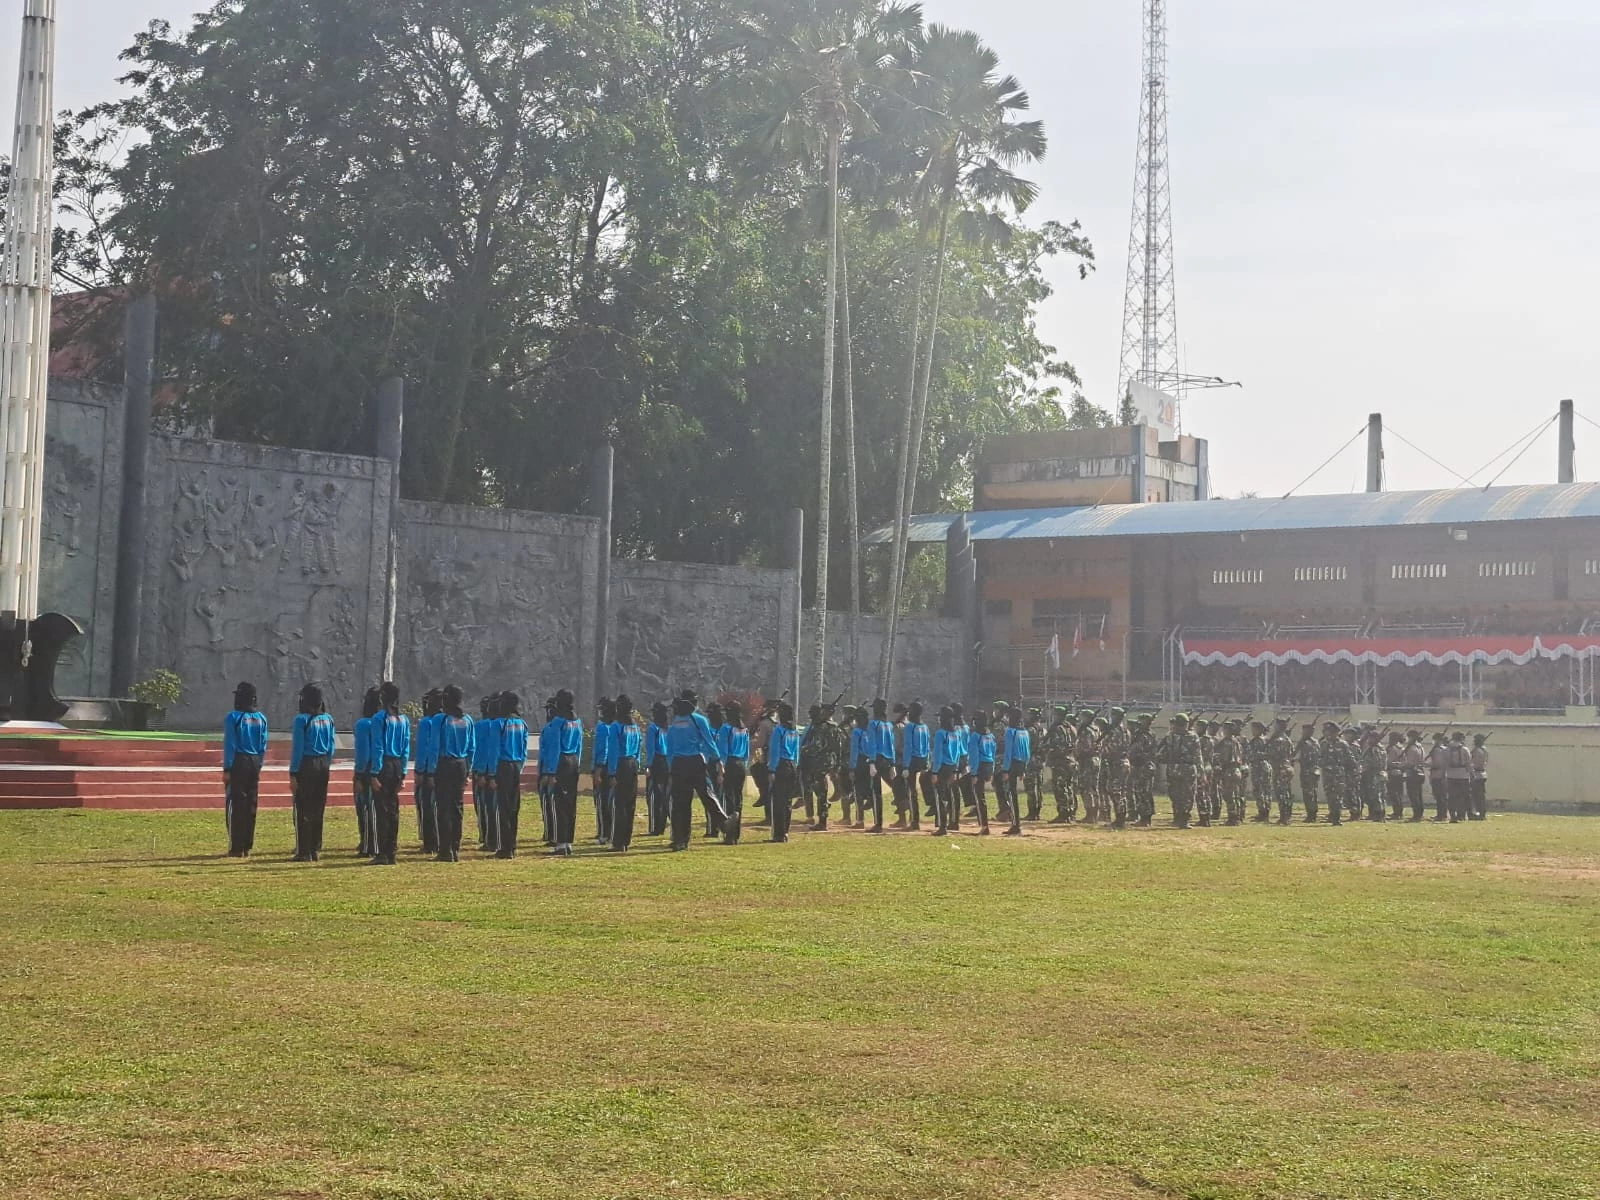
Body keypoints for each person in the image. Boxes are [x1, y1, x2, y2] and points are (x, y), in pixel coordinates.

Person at [666, 691, 724, 850]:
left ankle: (680, 840)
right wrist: (718, 760)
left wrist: (671, 768)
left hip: (678, 764)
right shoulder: (699, 720)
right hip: (695, 762)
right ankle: (724, 823)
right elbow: (709, 741)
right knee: (707, 795)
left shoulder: (675, 722)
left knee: (680, 804)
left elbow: (669, 749)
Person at [289, 682, 335, 862]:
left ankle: (304, 850)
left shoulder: (302, 720)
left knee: (303, 807)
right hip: (323, 763)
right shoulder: (328, 719)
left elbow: (297, 748)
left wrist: (293, 772)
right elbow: (331, 746)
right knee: (318, 806)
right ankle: (316, 847)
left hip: (307, 764)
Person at [222, 681, 268, 858]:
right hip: (255, 760)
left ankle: (236, 847)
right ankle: (248, 845)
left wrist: (227, 768)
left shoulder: (233, 717)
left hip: (239, 761)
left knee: (236, 804)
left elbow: (230, 745)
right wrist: (259, 764)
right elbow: (263, 745)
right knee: (251, 803)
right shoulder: (261, 718)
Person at [370, 682, 411, 865]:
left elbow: (378, 746)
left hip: (385, 764)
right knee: (393, 810)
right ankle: (392, 850)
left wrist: (374, 773)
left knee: (382, 810)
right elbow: (405, 748)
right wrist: (403, 772)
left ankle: (383, 853)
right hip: (396, 766)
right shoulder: (403, 719)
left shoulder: (380, 718)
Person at [433, 685, 474, 861]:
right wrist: (468, 771)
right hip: (461, 764)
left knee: (443, 807)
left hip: (445, 764)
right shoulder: (468, 720)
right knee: (457, 807)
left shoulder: (440, 720)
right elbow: (472, 748)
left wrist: (430, 770)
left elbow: (435, 746)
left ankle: (445, 849)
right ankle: (455, 848)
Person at [487, 692, 529, 858]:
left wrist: (491, 774)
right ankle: (512, 845)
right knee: (513, 808)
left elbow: (494, 750)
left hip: (502, 767)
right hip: (516, 767)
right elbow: (524, 750)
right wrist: (520, 768)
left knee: (502, 808)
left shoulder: (499, 723)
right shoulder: (521, 723)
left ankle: (504, 848)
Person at [546, 690, 585, 856]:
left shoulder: (558, 721)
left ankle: (560, 843)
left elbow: (555, 748)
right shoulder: (576, 720)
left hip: (561, 761)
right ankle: (569, 841)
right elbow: (579, 745)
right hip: (574, 760)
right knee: (571, 803)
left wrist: (551, 771)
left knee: (560, 803)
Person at [609, 694, 644, 851]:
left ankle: (618, 842)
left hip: (621, 764)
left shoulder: (616, 726)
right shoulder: (634, 726)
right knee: (630, 803)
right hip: (632, 764)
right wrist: (637, 764)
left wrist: (612, 773)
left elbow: (614, 751)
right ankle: (627, 839)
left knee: (620, 804)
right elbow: (638, 746)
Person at [413, 688, 443, 854]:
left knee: (426, 805)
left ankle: (430, 842)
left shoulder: (427, 722)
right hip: (445, 767)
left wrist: (421, 770)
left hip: (428, 770)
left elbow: (424, 748)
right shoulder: (446, 720)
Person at [767, 701, 800, 843]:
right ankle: (785, 831)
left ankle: (778, 834)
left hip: (781, 765)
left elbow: (775, 752)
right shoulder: (794, 731)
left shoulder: (779, 730)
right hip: (792, 765)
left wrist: (771, 769)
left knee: (778, 801)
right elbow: (797, 752)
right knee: (787, 801)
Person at [353, 687, 381, 857]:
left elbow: (362, 752)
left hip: (368, 769)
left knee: (365, 807)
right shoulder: (389, 720)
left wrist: (358, 774)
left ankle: (368, 844)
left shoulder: (364, 724)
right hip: (385, 766)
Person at [718, 700, 751, 844]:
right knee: (738, 799)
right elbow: (747, 753)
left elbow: (723, 751)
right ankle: (736, 834)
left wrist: (721, 770)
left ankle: (729, 835)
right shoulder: (744, 729)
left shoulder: (726, 728)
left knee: (728, 798)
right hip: (741, 765)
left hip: (730, 764)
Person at [1161, 713, 1201, 829]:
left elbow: (1198, 756)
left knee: (1188, 794)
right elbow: (1162, 751)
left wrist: (1201, 772)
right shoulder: (1170, 736)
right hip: (1173, 768)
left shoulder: (1193, 737)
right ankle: (1177, 817)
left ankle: (1184, 819)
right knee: (1174, 794)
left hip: (1188, 769)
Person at [474, 695, 502, 853]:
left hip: (484, 769)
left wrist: (480, 771)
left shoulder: (483, 725)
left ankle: (487, 837)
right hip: (501, 769)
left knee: (485, 806)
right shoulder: (502, 724)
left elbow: (480, 750)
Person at [900, 700, 932, 831]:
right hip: (923, 759)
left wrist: (905, 766)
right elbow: (928, 745)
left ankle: (914, 821)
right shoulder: (924, 727)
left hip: (912, 760)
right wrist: (927, 762)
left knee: (911, 791)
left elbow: (908, 747)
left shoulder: (910, 727)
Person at [930, 706, 962, 835]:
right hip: (952, 766)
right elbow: (958, 752)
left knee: (940, 796)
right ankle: (951, 822)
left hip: (942, 767)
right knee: (949, 795)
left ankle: (942, 826)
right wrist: (955, 770)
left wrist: (934, 771)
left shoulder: (940, 733)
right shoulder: (956, 733)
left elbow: (937, 754)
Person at [1001, 707, 1031, 836]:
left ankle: (1015, 824)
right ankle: (1015, 823)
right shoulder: (1024, 731)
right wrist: (1024, 768)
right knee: (1014, 794)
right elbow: (1027, 751)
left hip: (1012, 763)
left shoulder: (1010, 731)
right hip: (1021, 763)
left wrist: (1005, 769)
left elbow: (1008, 752)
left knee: (1011, 795)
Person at [867, 699, 898, 830]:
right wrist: (893, 763)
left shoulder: (873, 724)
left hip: (877, 759)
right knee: (894, 786)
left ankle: (878, 823)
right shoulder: (889, 725)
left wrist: (872, 762)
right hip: (887, 759)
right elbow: (891, 745)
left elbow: (872, 744)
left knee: (876, 792)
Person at [644, 701, 672, 837]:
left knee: (654, 795)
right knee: (666, 795)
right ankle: (663, 824)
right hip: (668, 762)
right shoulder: (668, 728)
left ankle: (655, 827)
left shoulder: (653, 728)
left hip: (657, 762)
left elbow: (651, 749)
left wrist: (648, 766)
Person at [849, 707, 877, 832]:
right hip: (871, 761)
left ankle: (860, 820)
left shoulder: (857, 732)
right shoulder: (871, 731)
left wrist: (852, 768)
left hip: (860, 762)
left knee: (857, 792)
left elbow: (854, 750)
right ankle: (877, 819)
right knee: (871, 790)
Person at [592, 699, 615, 846]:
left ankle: (604, 833)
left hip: (603, 767)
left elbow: (603, 749)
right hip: (613, 766)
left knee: (602, 801)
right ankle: (609, 832)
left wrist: (598, 769)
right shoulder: (616, 725)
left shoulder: (603, 727)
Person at [971, 712, 996, 833]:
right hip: (989, 764)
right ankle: (984, 825)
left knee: (979, 797)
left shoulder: (975, 736)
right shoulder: (990, 735)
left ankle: (984, 826)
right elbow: (994, 751)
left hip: (979, 766)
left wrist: (974, 773)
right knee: (981, 796)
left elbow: (974, 756)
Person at [1318, 721, 1346, 826]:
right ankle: (1332, 816)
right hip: (1327, 774)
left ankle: (1337, 819)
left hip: (1339, 775)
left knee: (1338, 797)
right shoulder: (1324, 744)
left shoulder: (1342, 744)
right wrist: (1323, 764)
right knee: (1330, 795)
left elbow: (1349, 759)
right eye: (1327, 732)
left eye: (1331, 732)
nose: (1329, 734)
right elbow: (1319, 757)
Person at [1444, 731, 1472, 823]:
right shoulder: (1465, 749)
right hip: (1463, 775)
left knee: (1452, 797)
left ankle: (1452, 815)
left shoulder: (1447, 749)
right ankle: (1461, 815)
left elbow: (1445, 763)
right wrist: (1471, 774)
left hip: (1451, 775)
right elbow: (1468, 763)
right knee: (1462, 796)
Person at [1297, 722, 1321, 823]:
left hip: (1309, 771)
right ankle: (1312, 814)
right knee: (1311, 793)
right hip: (1313, 771)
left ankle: (1311, 815)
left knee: (1309, 793)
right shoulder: (1315, 742)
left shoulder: (1306, 742)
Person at [1403, 730, 1428, 822]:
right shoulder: (1420, 747)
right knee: (1418, 794)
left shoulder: (1412, 748)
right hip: (1420, 772)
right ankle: (1420, 813)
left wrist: (1401, 765)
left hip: (1412, 773)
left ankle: (1416, 815)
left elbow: (1410, 763)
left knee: (1413, 795)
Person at [1470, 734, 1490, 820]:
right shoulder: (1484, 750)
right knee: (1480, 795)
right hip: (1482, 774)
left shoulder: (1478, 751)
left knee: (1477, 795)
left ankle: (1479, 813)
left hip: (1477, 774)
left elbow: (1474, 763)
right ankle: (1481, 812)